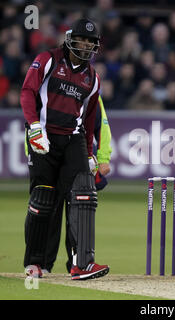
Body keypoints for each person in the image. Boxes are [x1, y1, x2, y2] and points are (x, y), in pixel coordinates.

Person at [20, 18, 109, 280]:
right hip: (44, 135)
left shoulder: (92, 78)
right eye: (82, 40)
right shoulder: (48, 59)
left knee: (84, 195)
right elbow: (27, 92)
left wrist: (91, 152)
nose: (86, 45)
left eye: (91, 42)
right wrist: (34, 126)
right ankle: (35, 262)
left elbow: (90, 116)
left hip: (73, 138)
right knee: (43, 200)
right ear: (70, 39)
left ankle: (81, 263)